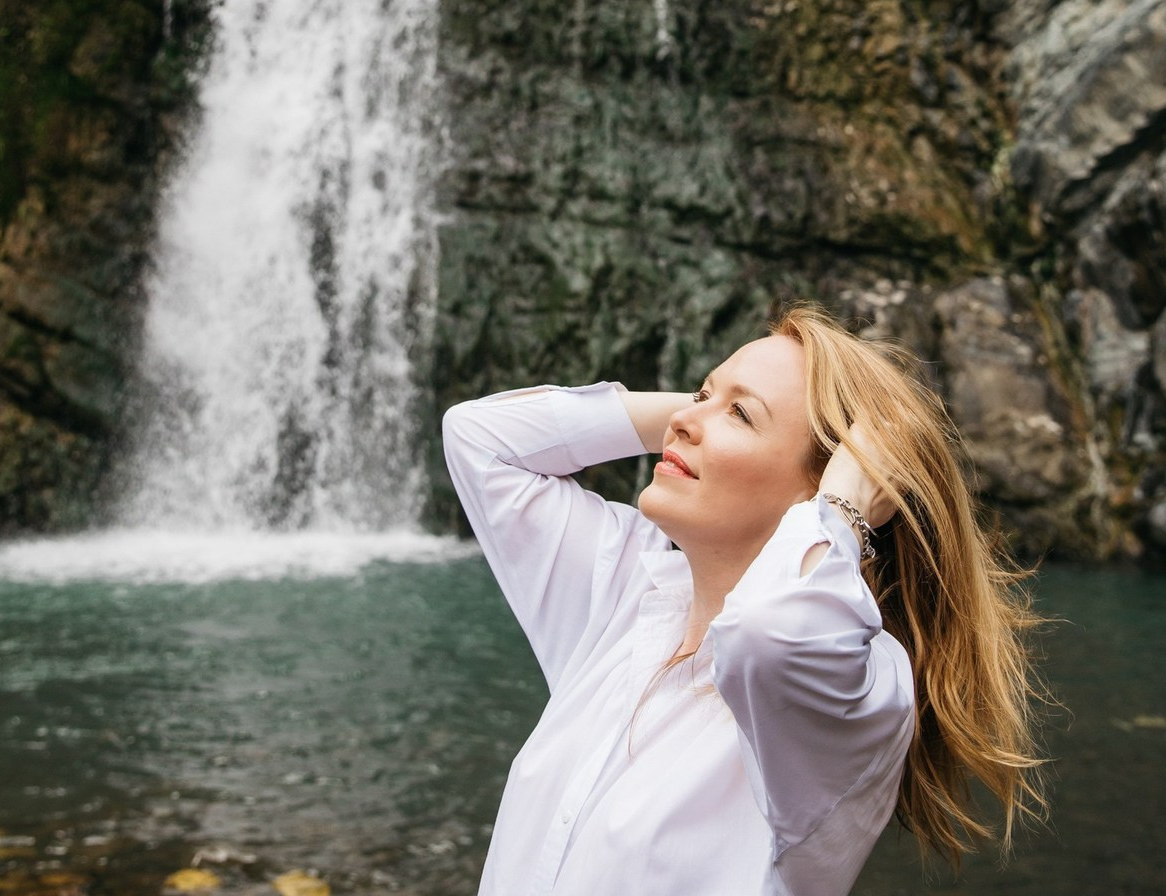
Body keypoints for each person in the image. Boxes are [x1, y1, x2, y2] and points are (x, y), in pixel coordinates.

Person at [441, 302, 1048, 896]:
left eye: (743, 416)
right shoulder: (628, 594)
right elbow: (478, 438)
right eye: (701, 394)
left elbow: (767, 636)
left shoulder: (857, 692)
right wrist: (703, 415)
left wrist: (842, 508)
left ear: (830, 483)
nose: (684, 418)